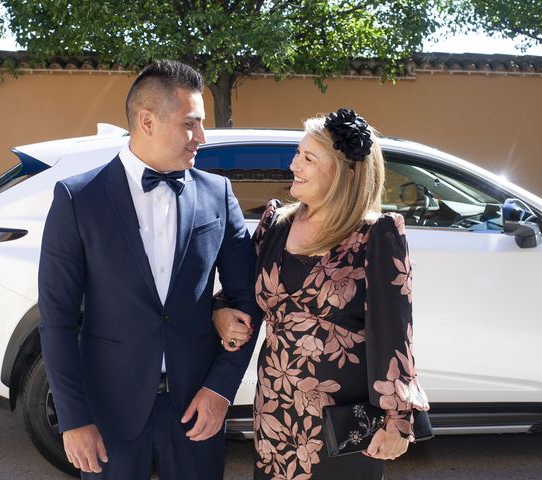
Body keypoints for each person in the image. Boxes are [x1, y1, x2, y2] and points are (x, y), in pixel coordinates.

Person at [38, 60, 260, 480]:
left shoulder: (218, 194)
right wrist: (72, 418)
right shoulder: (78, 199)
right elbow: (57, 320)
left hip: (198, 408)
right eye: (191, 123)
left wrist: (220, 390)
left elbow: (247, 299)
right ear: (147, 120)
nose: (202, 137)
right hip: (109, 412)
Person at [213, 108, 429, 479]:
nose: (294, 164)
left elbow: (394, 332)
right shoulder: (276, 223)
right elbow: (238, 293)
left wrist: (398, 418)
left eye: (309, 158)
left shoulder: (377, 234)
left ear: (346, 172)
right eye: (298, 153)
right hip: (275, 410)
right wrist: (220, 313)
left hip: (343, 418)